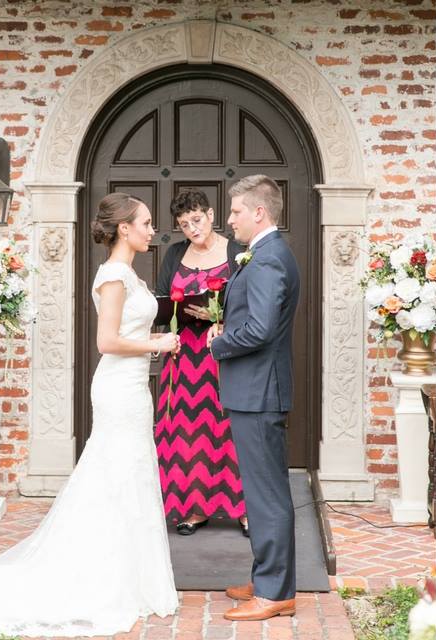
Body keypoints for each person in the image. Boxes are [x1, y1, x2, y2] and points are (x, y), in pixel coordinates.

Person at [0, 193, 180, 636]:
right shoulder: (115, 275)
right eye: (146, 222)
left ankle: (130, 575)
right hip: (118, 386)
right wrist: (158, 344)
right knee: (115, 474)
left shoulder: (129, 274)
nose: (152, 230)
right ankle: (102, 577)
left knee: (129, 475)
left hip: (134, 387)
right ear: (124, 228)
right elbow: (108, 342)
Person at [207, 174, 300, 621]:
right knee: (261, 491)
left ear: (259, 212)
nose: (229, 220)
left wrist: (219, 344)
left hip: (259, 391)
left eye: (235, 212)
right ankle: (267, 577)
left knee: (267, 494)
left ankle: (276, 592)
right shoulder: (263, 255)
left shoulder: (266, 260)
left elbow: (261, 330)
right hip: (254, 390)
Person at [154, 190, 248, 537]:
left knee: (229, 429)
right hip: (184, 357)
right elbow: (161, 299)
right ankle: (194, 509)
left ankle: (242, 509)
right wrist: (175, 312)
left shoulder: (237, 251)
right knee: (188, 432)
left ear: (211, 215)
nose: (192, 228)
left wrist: (219, 316)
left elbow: (251, 300)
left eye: (197, 219)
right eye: (184, 224)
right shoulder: (176, 253)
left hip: (223, 354)